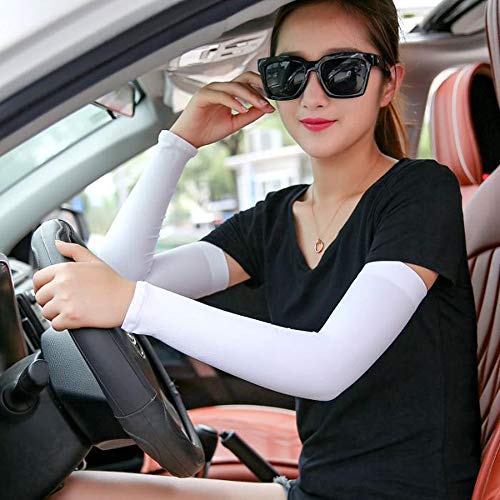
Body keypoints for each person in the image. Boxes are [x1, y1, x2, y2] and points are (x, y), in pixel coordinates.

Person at [33, 0, 482, 498]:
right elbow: (113, 279)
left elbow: (325, 366)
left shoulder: (421, 193)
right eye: (289, 73)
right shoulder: (275, 218)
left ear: (389, 83)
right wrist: (179, 144)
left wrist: (132, 303)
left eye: (343, 71)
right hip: (316, 488)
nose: (312, 95)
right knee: (60, 491)